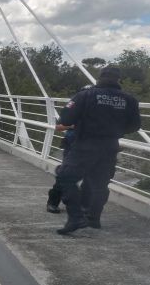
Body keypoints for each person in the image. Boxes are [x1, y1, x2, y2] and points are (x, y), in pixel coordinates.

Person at [55, 67, 141, 234]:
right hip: (110, 146)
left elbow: (65, 119)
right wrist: (116, 130)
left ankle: (76, 217)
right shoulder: (130, 100)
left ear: (100, 78)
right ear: (118, 80)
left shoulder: (85, 95)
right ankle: (94, 219)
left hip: (85, 144)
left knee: (65, 176)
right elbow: (135, 125)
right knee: (100, 184)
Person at [47, 85, 94, 214]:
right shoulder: (73, 109)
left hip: (92, 147)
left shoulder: (97, 112)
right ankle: (52, 202)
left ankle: (84, 205)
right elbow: (59, 127)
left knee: (90, 177)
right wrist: (75, 125)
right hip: (72, 144)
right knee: (64, 175)